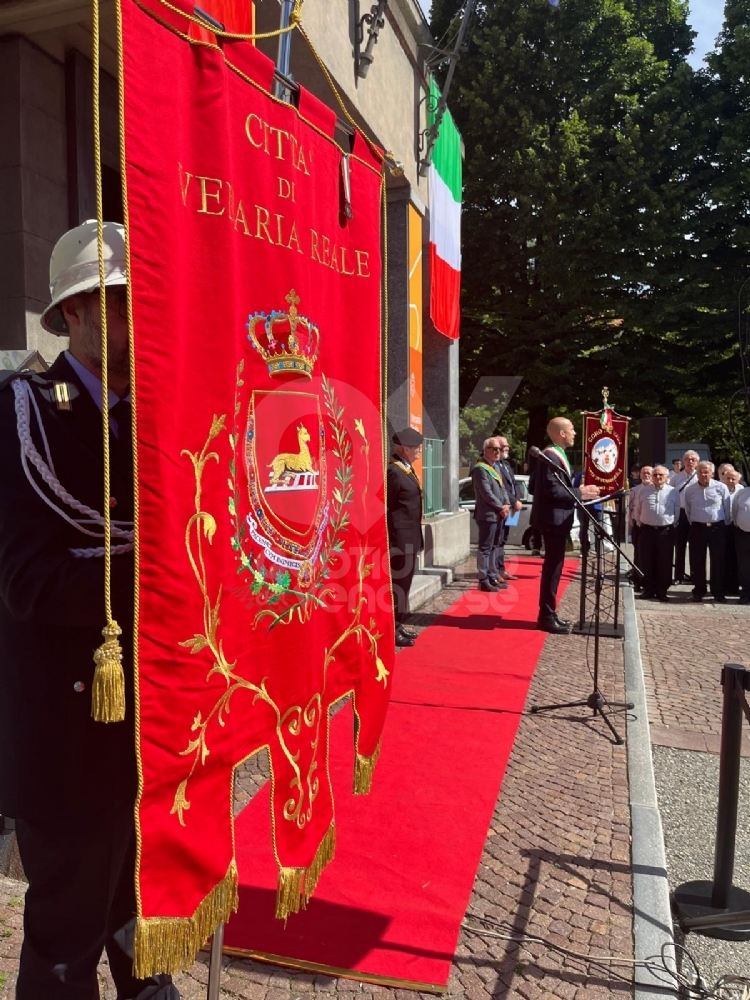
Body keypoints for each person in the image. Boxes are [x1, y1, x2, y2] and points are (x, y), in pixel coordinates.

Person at [0, 221, 179, 999]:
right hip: (68, 735)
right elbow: (26, 580)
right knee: (67, 944)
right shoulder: (22, 413)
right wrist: (163, 578)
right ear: (73, 312)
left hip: (155, 734)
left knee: (145, 925)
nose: (142, 318)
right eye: (120, 301)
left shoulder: (164, 420)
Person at [530, 417, 600, 633]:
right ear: (561, 433)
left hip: (556, 520)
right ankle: (546, 616)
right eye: (571, 430)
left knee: (554, 568)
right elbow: (552, 491)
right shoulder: (550, 456)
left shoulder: (551, 456)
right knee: (552, 569)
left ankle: (549, 613)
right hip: (553, 521)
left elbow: (534, 486)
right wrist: (581, 492)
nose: (574, 434)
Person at [387, 427, 424, 648]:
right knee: (397, 586)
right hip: (399, 540)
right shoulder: (394, 471)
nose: (419, 450)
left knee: (405, 583)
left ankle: (399, 624)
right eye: (416, 447)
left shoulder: (407, 469)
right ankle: (392, 627)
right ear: (404, 449)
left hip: (409, 538)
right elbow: (387, 507)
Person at [684, 461, 730, 603]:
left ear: (712, 473)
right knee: (697, 560)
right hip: (698, 527)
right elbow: (687, 509)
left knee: (718, 560)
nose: (703, 475)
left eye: (706, 472)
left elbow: (727, 508)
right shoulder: (690, 490)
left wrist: (724, 525)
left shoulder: (721, 487)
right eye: (700, 472)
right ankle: (699, 590)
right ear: (696, 473)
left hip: (717, 528)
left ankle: (718, 591)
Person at [471, 438, 511, 592]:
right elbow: (486, 492)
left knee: (495, 546)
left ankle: (493, 575)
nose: (497, 452)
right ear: (485, 449)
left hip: (499, 513)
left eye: (499, 449)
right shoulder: (480, 468)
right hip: (487, 514)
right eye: (494, 449)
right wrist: (500, 506)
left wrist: (506, 504)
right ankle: (483, 579)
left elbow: (502, 489)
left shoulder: (496, 467)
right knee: (485, 548)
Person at [636, 466, 678, 602]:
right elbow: (637, 510)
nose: (658, 477)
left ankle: (662, 590)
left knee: (664, 562)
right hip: (647, 530)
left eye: (661, 475)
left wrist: (669, 523)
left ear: (666, 477)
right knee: (646, 561)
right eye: (655, 475)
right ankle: (648, 589)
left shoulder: (673, 492)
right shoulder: (643, 491)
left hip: (665, 531)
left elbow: (677, 511)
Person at [492, 436, 522, 581]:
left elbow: (514, 484)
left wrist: (518, 500)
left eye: (507, 445)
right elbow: (501, 487)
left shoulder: (506, 464)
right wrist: (513, 501)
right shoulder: (493, 466)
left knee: (504, 539)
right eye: (503, 445)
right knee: (497, 539)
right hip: (501, 507)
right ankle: (495, 570)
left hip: (511, 508)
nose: (507, 447)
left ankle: (501, 569)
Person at [670, 450, 700, 584]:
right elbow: (669, 495)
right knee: (679, 546)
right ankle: (678, 576)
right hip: (681, 514)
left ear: (697, 462)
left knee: (696, 547)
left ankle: (695, 576)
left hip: (696, 514)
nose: (690, 462)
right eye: (687, 459)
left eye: (693, 459)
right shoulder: (676, 478)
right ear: (683, 462)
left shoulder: (701, 477)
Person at [628, 466, 653, 590]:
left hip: (652, 526)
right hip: (638, 526)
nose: (646, 475)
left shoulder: (656, 489)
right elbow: (630, 509)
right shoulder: (634, 490)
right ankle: (637, 579)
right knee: (638, 554)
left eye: (649, 473)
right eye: (644, 473)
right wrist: (631, 524)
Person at [723, 468, 744, 596]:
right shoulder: (719, 489)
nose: (730, 481)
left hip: (736, 527)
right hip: (723, 527)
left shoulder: (742, 491)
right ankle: (724, 585)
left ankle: (735, 586)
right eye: (728, 478)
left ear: (738, 480)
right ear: (723, 478)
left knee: (737, 558)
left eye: (733, 479)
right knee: (723, 557)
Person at [731, 484, 750, 604]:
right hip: (743, 534)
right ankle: (746, 593)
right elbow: (734, 512)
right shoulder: (742, 493)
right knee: (744, 566)